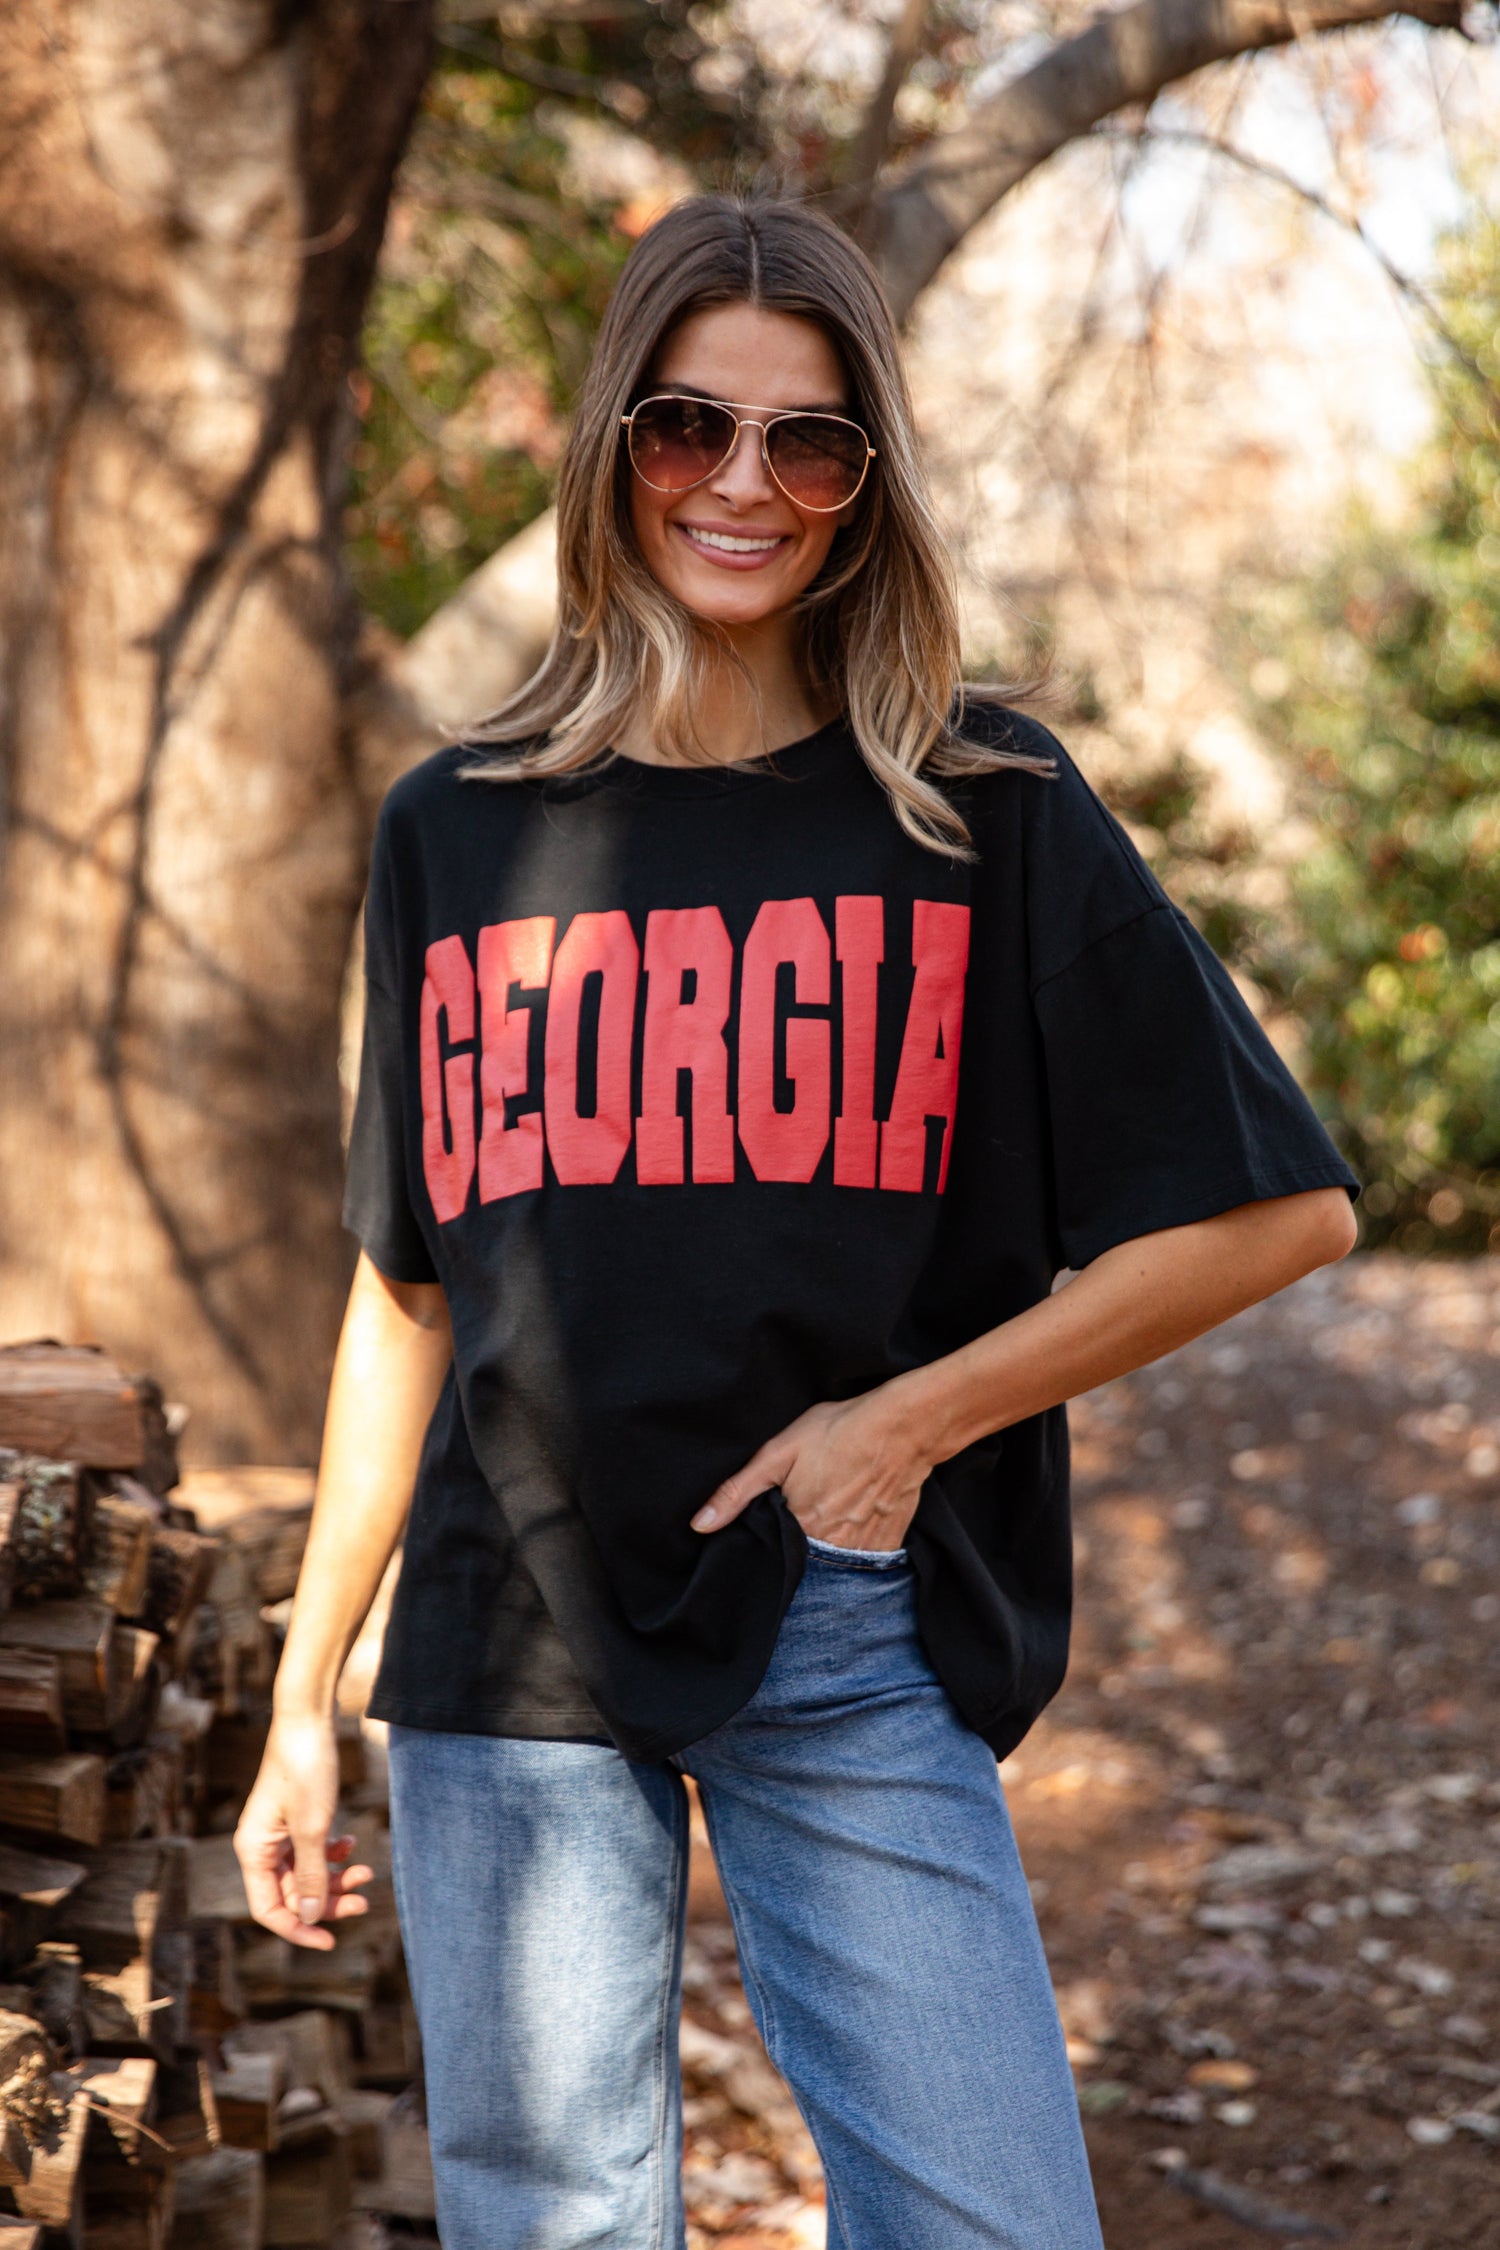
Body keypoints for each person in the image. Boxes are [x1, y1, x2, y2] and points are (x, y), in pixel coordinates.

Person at [236, 194, 1359, 2250]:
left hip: (846, 1610)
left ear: (867, 487)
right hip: (516, 1629)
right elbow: (410, 1286)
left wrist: (901, 1427)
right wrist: (306, 1693)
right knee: (562, 2223)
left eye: (807, 442)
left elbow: (1274, 1213)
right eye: (689, 427)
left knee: (993, 2219)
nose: (743, 484)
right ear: (611, 449)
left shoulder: (977, 806)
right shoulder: (456, 828)